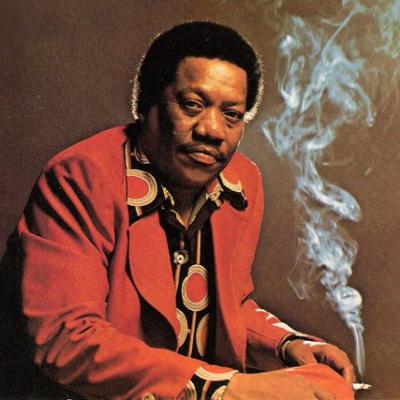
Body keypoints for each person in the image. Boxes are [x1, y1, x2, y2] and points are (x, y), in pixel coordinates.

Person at [2, 21, 355, 399]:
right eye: (192, 105)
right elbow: (66, 340)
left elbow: (224, 309)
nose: (212, 130)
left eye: (232, 114)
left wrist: (287, 345)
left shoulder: (241, 182)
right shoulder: (82, 176)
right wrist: (231, 389)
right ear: (146, 105)